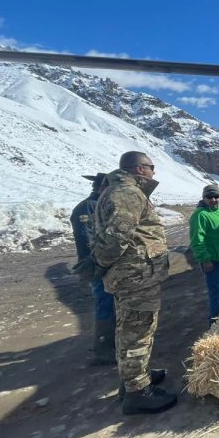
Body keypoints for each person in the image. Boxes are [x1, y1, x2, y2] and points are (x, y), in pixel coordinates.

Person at [92, 151, 175, 415]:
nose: (154, 172)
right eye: (151, 167)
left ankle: (134, 378)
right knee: (137, 331)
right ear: (139, 169)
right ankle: (138, 392)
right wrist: (105, 265)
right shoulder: (128, 193)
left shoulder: (120, 191)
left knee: (130, 329)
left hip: (134, 275)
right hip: (136, 276)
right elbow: (116, 239)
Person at [71, 172, 115, 365]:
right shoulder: (88, 207)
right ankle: (104, 349)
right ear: (102, 188)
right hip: (97, 265)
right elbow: (91, 242)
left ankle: (113, 343)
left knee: (111, 304)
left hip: (106, 263)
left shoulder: (101, 205)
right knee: (104, 304)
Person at [189, 184, 219, 328]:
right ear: (204, 198)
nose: (214, 200)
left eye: (216, 196)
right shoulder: (200, 215)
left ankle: (218, 317)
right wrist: (205, 259)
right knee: (216, 292)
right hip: (213, 261)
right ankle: (214, 324)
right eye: (210, 197)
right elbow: (197, 240)